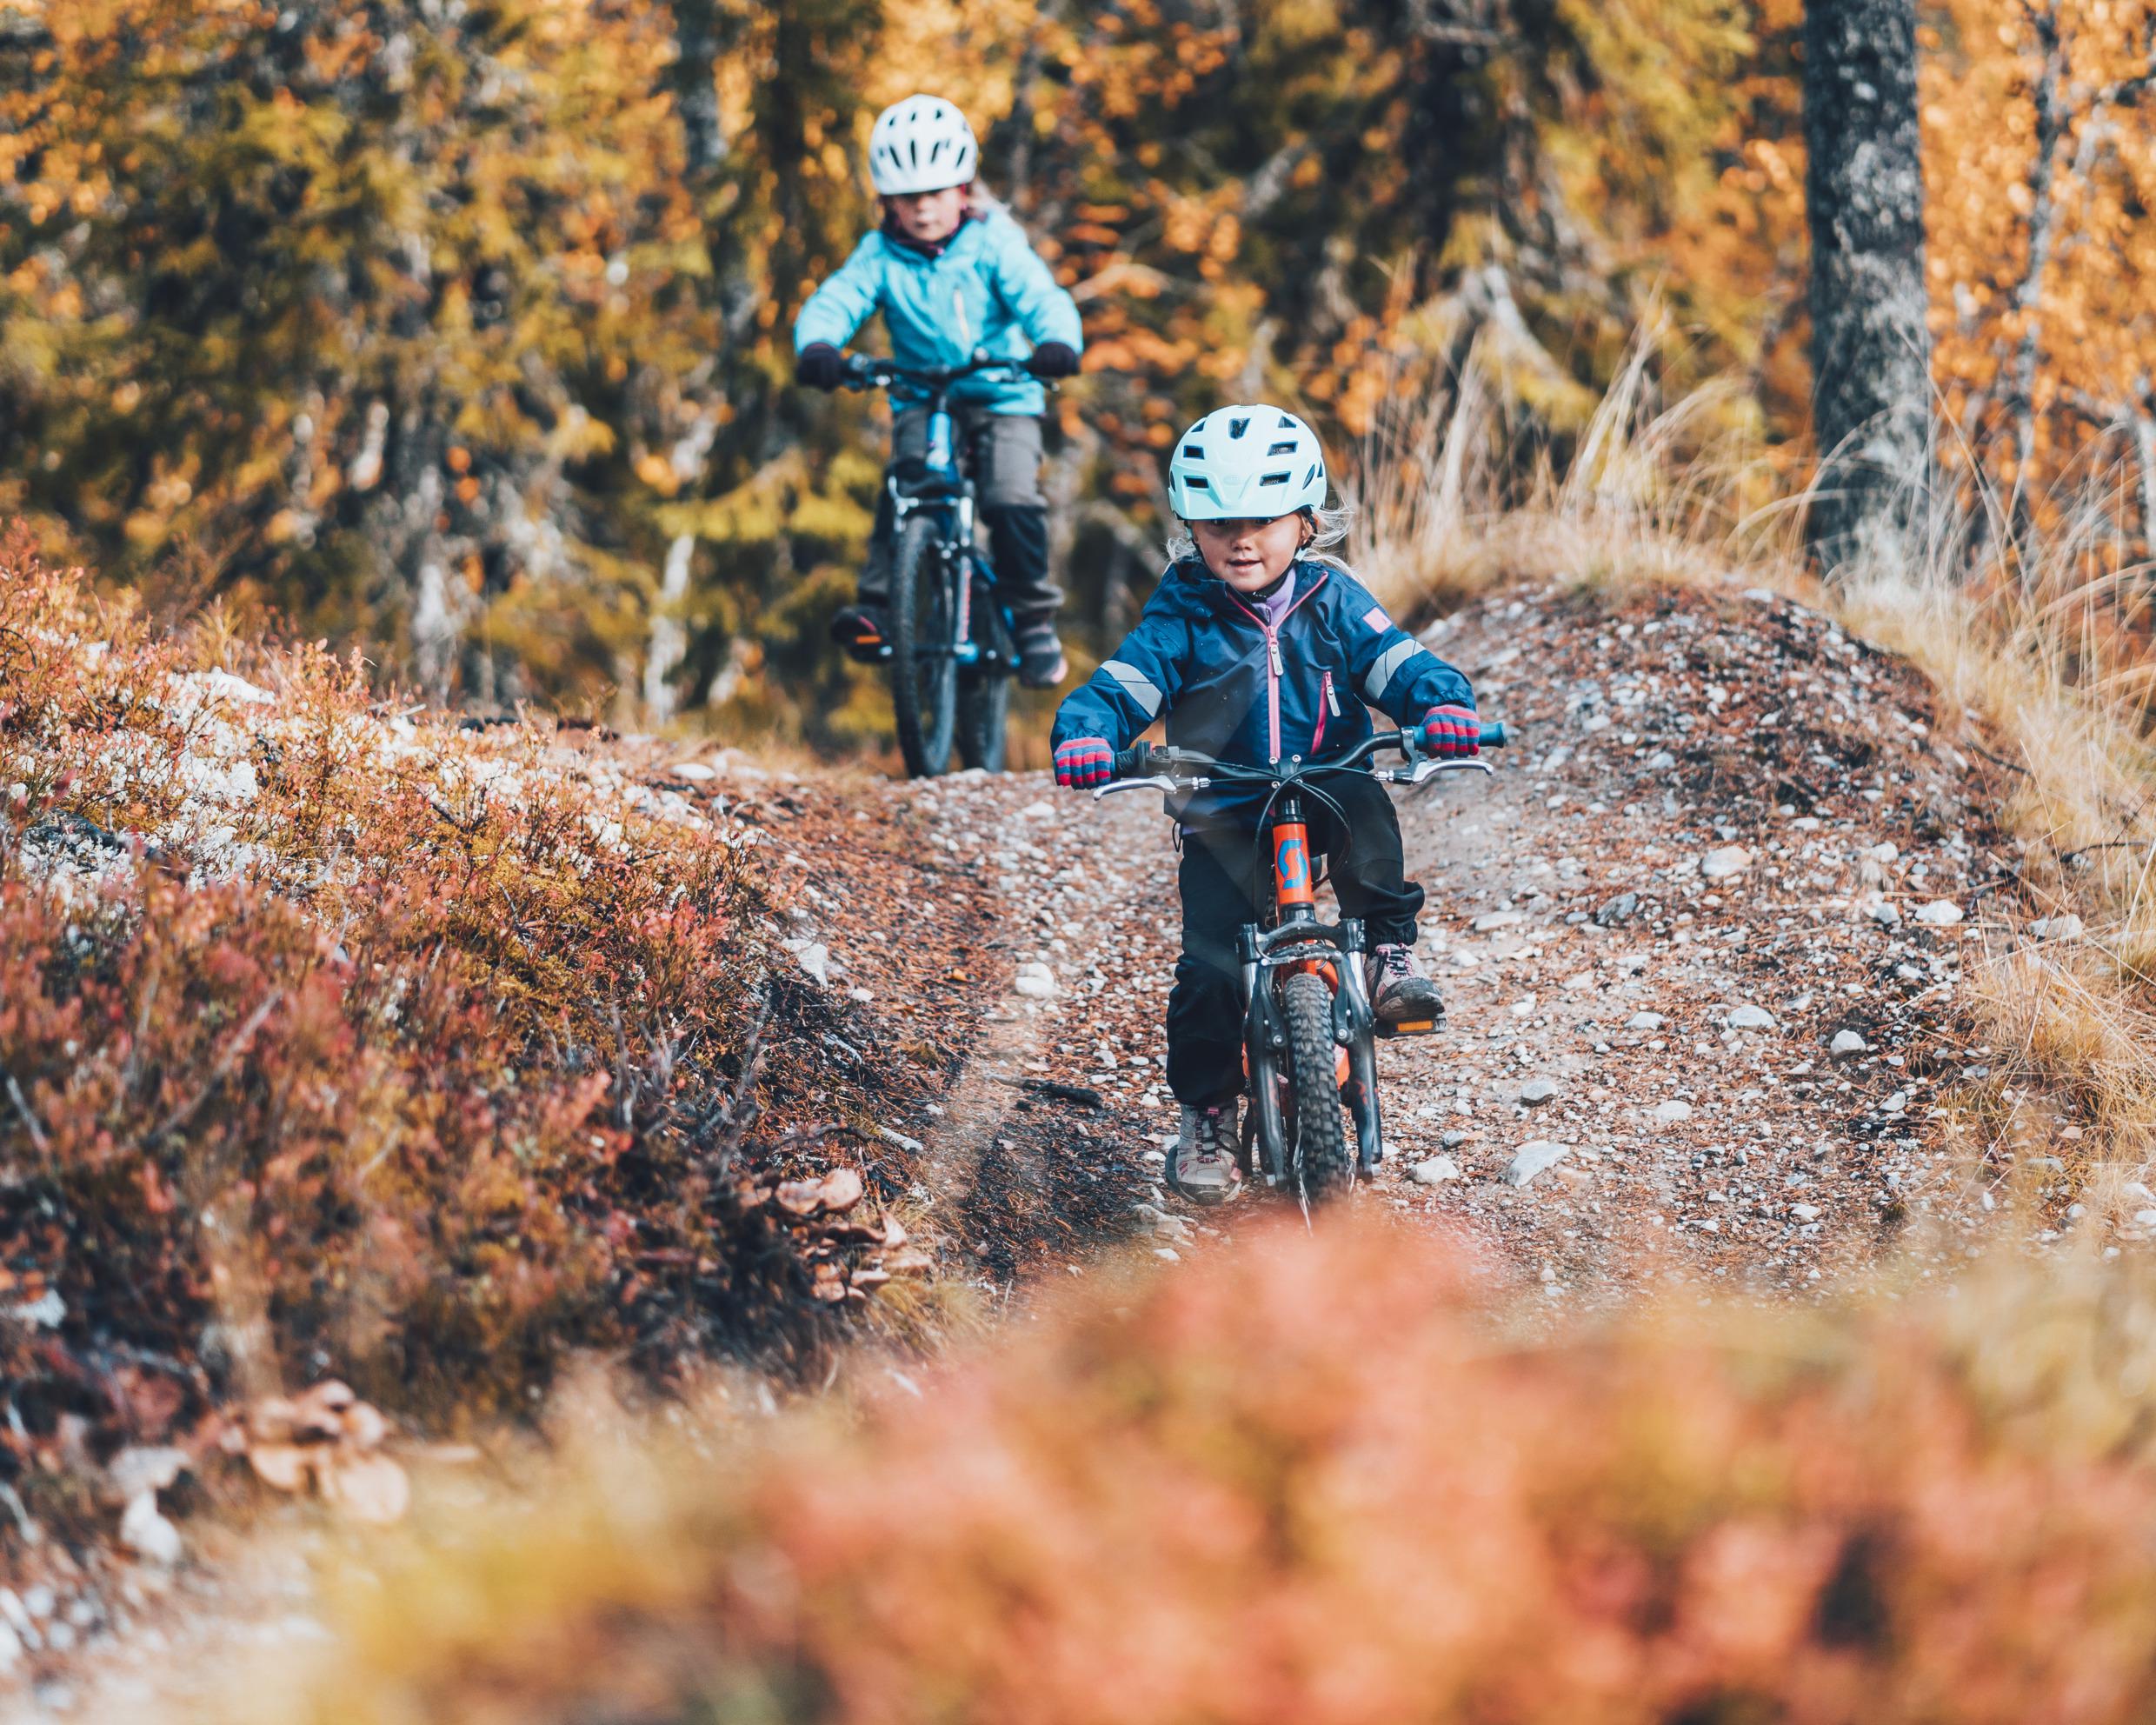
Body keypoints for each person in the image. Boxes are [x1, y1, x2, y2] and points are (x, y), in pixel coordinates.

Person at [1049, 405, 1480, 1204]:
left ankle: (1388, 953)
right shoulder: (1183, 611)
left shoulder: (1335, 597)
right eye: (1219, 524)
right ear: (1191, 527)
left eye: (1262, 521)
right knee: (1210, 967)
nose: (1241, 541)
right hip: (1225, 800)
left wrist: (1441, 707)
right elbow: (1127, 682)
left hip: (1326, 779)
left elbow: (1397, 663)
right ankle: (1208, 1113)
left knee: (1368, 813)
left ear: (1306, 521)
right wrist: (1088, 733)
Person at [793, 94, 1083, 689]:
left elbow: (1041, 297)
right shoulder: (880, 255)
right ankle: (879, 606)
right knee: (905, 485)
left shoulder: (994, 242)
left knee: (1010, 497)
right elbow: (837, 299)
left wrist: (1056, 342)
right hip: (923, 396)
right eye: (907, 197)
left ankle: (1032, 619)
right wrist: (820, 346)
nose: (922, 208)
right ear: (886, 201)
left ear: (963, 189)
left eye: (935, 192)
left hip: (1003, 395)